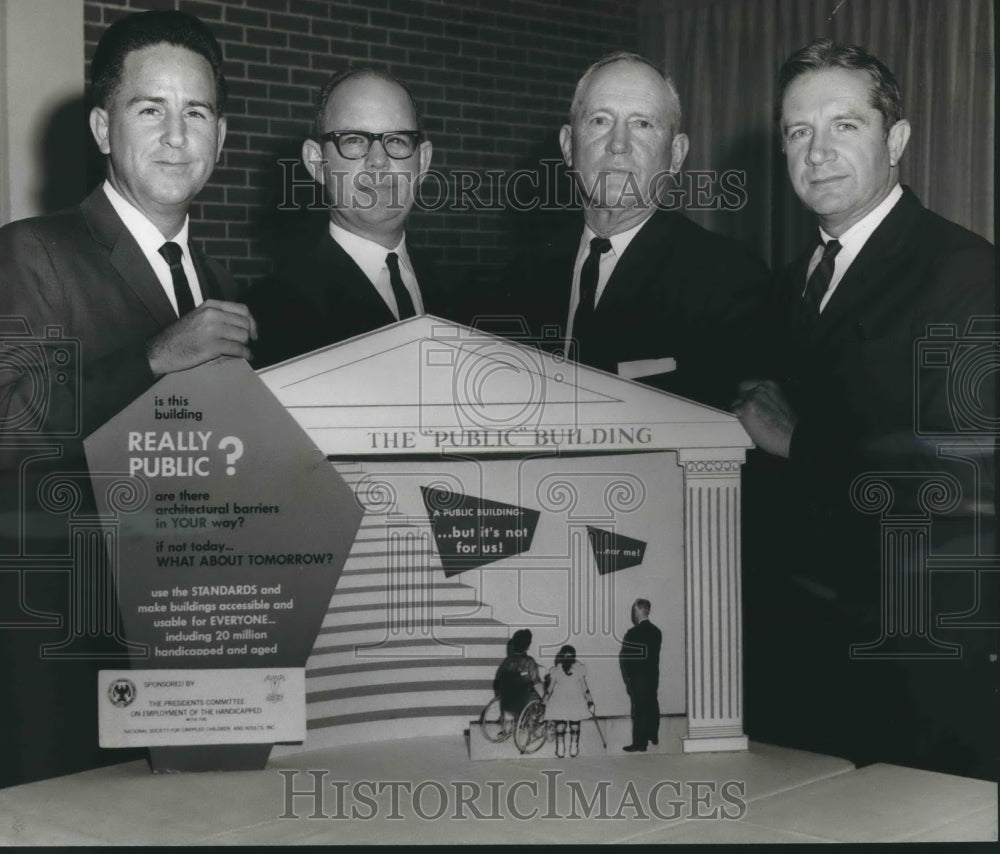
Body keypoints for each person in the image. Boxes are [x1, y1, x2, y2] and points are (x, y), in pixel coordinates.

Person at [0, 10, 253, 787]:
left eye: (197, 113)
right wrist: (153, 358)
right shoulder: (31, 252)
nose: (177, 136)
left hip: (191, 664)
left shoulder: (218, 284)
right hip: (66, 676)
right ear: (105, 127)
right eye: (152, 109)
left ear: (220, 135)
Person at [734, 39, 995, 778]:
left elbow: (974, 480)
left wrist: (800, 440)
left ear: (898, 141)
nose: (817, 152)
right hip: (796, 663)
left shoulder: (965, 273)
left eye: (844, 126)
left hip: (911, 672)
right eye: (797, 131)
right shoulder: (786, 287)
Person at [502, 52, 769, 410]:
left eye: (642, 124)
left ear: (675, 156)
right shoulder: (517, 278)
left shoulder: (729, 280)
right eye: (599, 121)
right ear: (568, 146)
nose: (618, 144)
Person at [250, 68, 458, 367]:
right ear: (317, 162)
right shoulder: (268, 314)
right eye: (353, 140)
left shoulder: (464, 298)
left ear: (422, 161)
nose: (378, 161)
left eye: (397, 140)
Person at [619, 598, 662, 752]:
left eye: (634, 611)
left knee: (639, 709)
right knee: (652, 704)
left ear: (637, 611)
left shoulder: (632, 633)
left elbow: (626, 658)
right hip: (652, 676)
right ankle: (653, 735)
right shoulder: (657, 632)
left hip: (638, 677)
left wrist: (628, 678)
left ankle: (640, 743)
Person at [542, 645, 595, 758]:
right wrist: (545, 700)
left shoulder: (576, 669)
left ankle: (571, 747)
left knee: (571, 725)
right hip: (564, 700)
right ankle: (564, 748)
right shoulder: (557, 670)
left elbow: (584, 687)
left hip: (570, 700)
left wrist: (590, 700)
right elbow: (550, 689)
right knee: (565, 725)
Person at [492, 629, 542, 724]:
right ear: (528, 646)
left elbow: (498, 683)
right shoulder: (529, 662)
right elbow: (537, 683)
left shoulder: (506, 663)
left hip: (507, 701)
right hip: (524, 701)